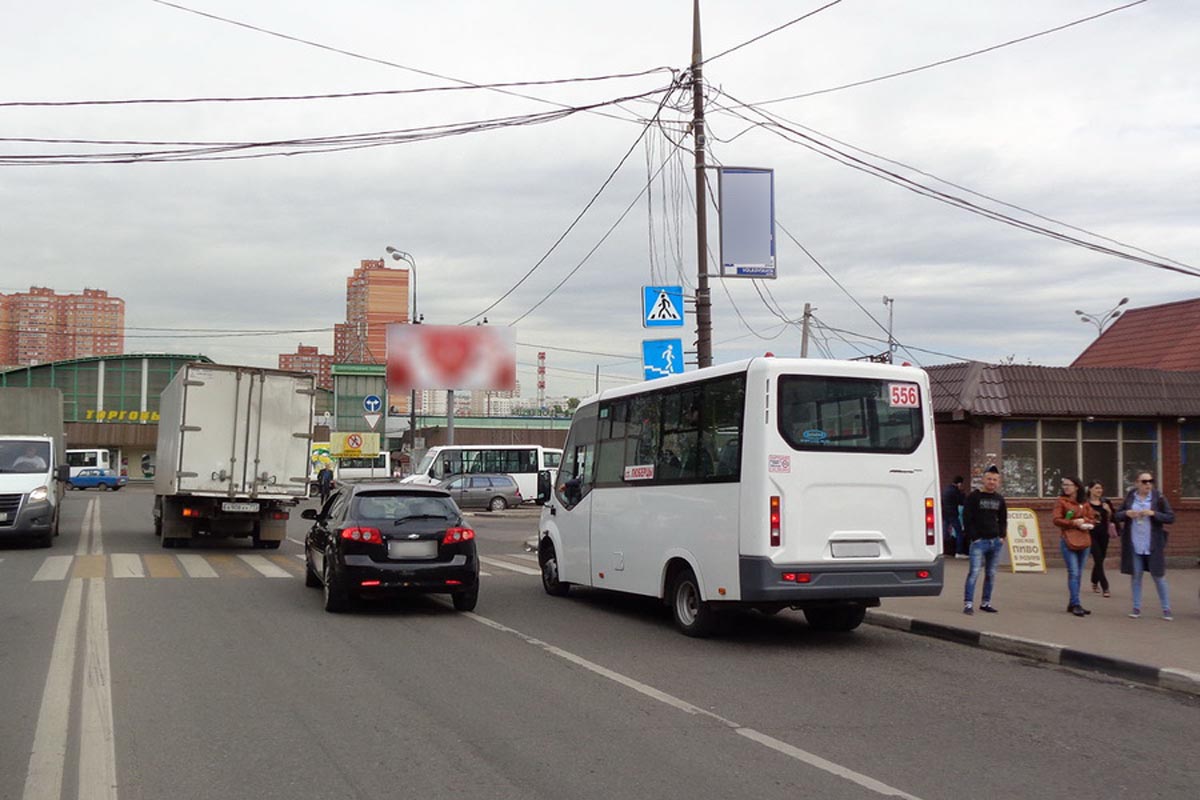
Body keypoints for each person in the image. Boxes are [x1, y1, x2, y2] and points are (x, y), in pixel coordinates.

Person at [1115, 471, 1175, 620]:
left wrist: (1153, 513)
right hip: (1135, 543)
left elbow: (1170, 517)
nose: (1148, 484)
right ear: (1137, 483)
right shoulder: (1130, 497)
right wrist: (1127, 513)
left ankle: (1166, 608)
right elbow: (1117, 515)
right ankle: (1136, 608)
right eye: (1144, 481)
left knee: (1158, 576)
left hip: (1152, 544)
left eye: (1150, 481)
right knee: (1136, 576)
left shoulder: (1159, 498)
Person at [961, 465, 1007, 615]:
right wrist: (974, 537)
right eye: (989, 479)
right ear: (983, 480)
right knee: (974, 573)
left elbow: (1003, 519)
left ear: (998, 482)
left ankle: (985, 602)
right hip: (979, 542)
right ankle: (968, 604)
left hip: (995, 542)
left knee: (991, 574)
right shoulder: (974, 497)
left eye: (995, 479)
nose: (992, 482)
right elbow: (967, 519)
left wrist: (1002, 536)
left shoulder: (999, 499)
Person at [1053, 476, 1096, 617]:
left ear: (1077, 486)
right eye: (1064, 485)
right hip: (1068, 541)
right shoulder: (1061, 502)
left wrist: (1084, 520)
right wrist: (1073, 523)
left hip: (1084, 540)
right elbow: (1056, 520)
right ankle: (1076, 603)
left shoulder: (1084, 503)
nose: (1065, 487)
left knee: (1079, 574)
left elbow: (1093, 518)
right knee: (1074, 572)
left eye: (1068, 485)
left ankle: (1073, 603)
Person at [1085, 479, 1116, 597]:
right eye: (1097, 488)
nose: (1099, 490)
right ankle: (1105, 586)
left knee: (1100, 559)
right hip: (1090, 533)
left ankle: (1094, 581)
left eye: (1101, 488)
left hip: (1103, 534)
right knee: (1098, 559)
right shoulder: (1086, 503)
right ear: (1090, 489)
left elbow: (1112, 517)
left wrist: (1108, 510)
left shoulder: (1105, 502)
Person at [941, 476, 965, 558]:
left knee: (945, 532)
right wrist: (962, 493)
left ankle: (942, 550)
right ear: (959, 483)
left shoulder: (946, 489)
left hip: (945, 513)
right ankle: (959, 552)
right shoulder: (955, 491)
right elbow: (962, 501)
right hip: (953, 514)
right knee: (959, 532)